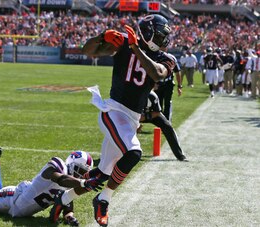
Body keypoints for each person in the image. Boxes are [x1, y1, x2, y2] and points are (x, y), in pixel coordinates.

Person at [50, 14, 175, 227]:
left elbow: (157, 74)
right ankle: (103, 199)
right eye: (161, 35)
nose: (164, 40)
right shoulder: (124, 44)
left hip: (131, 119)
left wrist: (136, 48)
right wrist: (101, 37)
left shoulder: (166, 58)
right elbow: (87, 51)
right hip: (113, 110)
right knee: (134, 153)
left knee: (100, 174)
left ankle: (62, 200)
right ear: (149, 32)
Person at [0, 147, 103, 226]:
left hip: (16, 208)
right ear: (71, 163)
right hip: (11, 198)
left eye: (84, 173)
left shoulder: (69, 184)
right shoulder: (58, 166)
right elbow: (60, 179)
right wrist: (83, 183)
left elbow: (66, 203)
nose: (81, 175)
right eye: (81, 170)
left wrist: (70, 217)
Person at [140, 90, 187, 161]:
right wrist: (136, 122)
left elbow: (157, 112)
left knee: (168, 127)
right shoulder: (132, 95)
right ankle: (126, 152)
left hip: (152, 114)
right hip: (135, 115)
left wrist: (146, 117)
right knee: (126, 128)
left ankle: (179, 155)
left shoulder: (152, 96)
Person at [154, 47, 182, 122]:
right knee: (158, 103)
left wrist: (179, 86)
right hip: (158, 84)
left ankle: (167, 122)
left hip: (168, 83)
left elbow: (177, 71)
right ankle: (161, 122)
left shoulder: (171, 58)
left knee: (167, 103)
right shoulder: (155, 56)